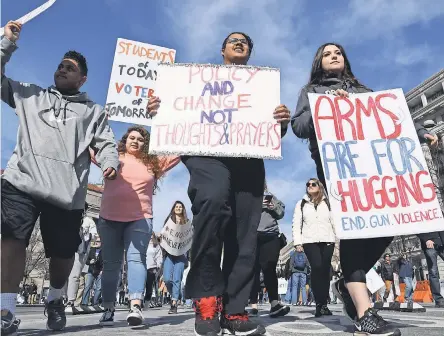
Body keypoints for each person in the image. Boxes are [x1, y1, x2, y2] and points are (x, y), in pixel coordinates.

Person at [147, 31, 290, 337]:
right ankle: (207, 298)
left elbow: (271, 134)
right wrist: (161, 111)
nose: (240, 43)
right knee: (211, 204)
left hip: (248, 160)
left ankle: (234, 308)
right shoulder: (194, 82)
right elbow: (174, 114)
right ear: (222, 49)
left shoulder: (259, 88)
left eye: (246, 42)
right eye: (233, 40)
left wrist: (281, 122)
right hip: (207, 155)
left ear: (249, 53)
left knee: (244, 232)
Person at [0, 22, 119, 336]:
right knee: (11, 241)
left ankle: (55, 297)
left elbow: (107, 143)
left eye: (71, 67)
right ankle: (5, 310)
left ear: (82, 79)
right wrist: (6, 43)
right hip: (20, 184)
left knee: (63, 254)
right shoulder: (30, 95)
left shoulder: (95, 113)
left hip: (66, 193)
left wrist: (109, 162)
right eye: (60, 65)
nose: (63, 69)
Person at [291, 43, 400, 336]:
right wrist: (325, 107)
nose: (333, 56)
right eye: (326, 54)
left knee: (387, 226)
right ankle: (365, 313)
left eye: (337, 52)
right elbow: (299, 127)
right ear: (319, 62)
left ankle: (346, 284)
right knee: (354, 231)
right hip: (337, 170)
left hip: (373, 171)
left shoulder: (364, 91)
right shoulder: (310, 91)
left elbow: (383, 123)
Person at [92, 126, 180, 327]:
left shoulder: (154, 162)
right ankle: (108, 309)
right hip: (109, 218)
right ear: (125, 139)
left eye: (141, 139)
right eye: (132, 137)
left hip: (140, 218)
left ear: (146, 144)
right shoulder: (111, 155)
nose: (136, 141)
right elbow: (88, 145)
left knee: (136, 259)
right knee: (112, 265)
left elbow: (179, 151)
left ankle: (135, 306)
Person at [292, 178, 336, 317]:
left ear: (320, 186)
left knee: (325, 271)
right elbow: (296, 224)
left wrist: (338, 238)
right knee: (316, 268)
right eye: (308, 184)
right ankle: (319, 303)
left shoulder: (328, 202)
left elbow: (334, 221)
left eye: (313, 184)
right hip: (309, 241)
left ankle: (324, 304)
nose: (310, 186)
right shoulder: (301, 204)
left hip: (328, 240)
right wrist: (297, 242)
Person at [248, 188, 290, 318]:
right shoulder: (248, 196)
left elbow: (281, 213)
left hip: (271, 236)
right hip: (252, 236)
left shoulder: (271, 198)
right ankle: (253, 305)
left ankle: (274, 304)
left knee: (269, 268)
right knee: (253, 270)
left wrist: (272, 206)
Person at [161, 201, 190, 315]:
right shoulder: (168, 222)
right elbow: (164, 234)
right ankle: (173, 294)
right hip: (169, 254)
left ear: (183, 209)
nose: (178, 208)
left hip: (181, 255)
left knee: (177, 278)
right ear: (173, 209)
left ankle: (174, 304)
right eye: (176, 207)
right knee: (167, 279)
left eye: (180, 207)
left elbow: (189, 237)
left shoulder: (187, 223)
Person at [66, 204, 96, 307]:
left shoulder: (88, 221)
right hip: (67, 246)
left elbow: (94, 235)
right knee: (63, 272)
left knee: (74, 275)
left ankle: (71, 299)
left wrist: (86, 236)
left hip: (80, 250)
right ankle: (59, 297)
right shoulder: (70, 216)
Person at [417, 231, 444, 308]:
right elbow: (416, 226)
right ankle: (439, 300)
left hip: (442, 241)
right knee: (433, 271)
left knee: (433, 272)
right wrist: (426, 239)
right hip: (430, 243)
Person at [81, 236, 103, 306]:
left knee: (99, 288)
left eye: (99, 242)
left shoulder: (104, 251)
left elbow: (105, 262)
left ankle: (95, 302)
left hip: (99, 271)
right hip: (91, 270)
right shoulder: (92, 249)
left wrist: (102, 270)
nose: (97, 243)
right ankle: (84, 302)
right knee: (87, 286)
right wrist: (90, 262)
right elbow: (86, 260)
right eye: (96, 241)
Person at [144, 233, 163, 308]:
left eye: (152, 237)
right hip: (142, 267)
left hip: (152, 268)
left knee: (149, 287)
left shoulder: (156, 246)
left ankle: (147, 302)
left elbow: (159, 256)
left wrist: (158, 265)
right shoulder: (143, 243)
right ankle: (138, 302)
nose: (151, 238)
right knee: (141, 285)